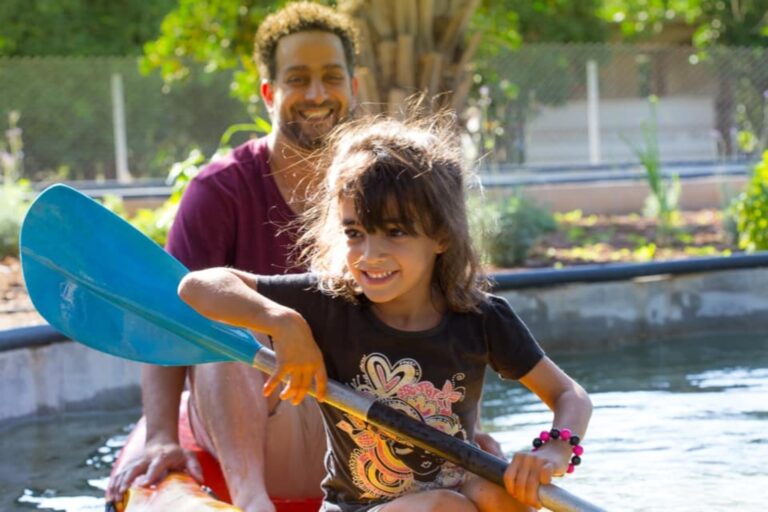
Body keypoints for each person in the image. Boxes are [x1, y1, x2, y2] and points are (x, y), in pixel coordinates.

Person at [106, 3, 502, 510]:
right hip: (259, 421)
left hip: (358, 422)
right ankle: (252, 502)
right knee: (236, 328)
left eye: (331, 77)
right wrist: (162, 433)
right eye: (298, 79)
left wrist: (467, 432)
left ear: (353, 87)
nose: (317, 95)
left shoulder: (390, 189)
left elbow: (443, 321)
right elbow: (174, 316)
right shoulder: (219, 191)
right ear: (269, 91)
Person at [177, 114, 593, 512]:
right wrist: (283, 323)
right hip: (360, 508)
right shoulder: (331, 302)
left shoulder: (480, 318)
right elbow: (197, 287)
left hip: (449, 499)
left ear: (442, 236)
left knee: (499, 491)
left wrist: (554, 449)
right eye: (355, 233)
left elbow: (569, 396)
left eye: (395, 232)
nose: (370, 256)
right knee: (447, 505)